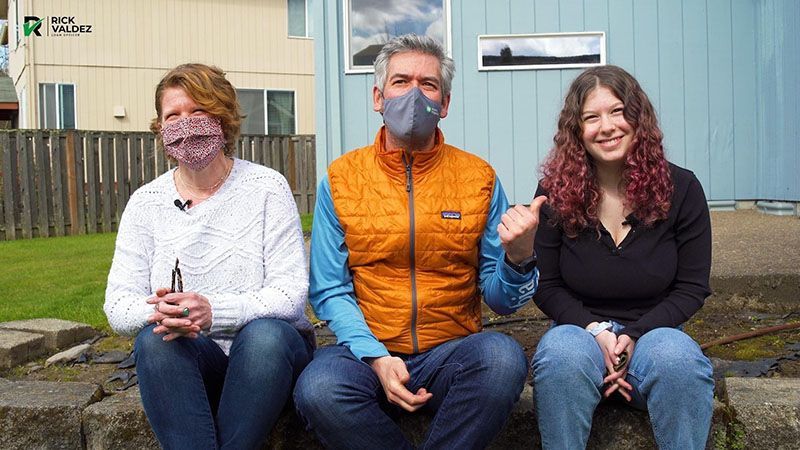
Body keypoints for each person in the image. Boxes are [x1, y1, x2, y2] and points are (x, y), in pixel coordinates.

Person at [293, 34, 546, 449]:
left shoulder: (478, 178)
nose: (414, 94)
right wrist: (376, 357)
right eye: (400, 81)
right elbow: (330, 290)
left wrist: (519, 259)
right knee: (319, 389)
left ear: (445, 104)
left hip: (450, 352)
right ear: (378, 96)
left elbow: (500, 301)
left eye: (428, 85)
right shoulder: (341, 179)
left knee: (502, 360)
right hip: (364, 352)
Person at [104, 63, 314, 450]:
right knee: (155, 339)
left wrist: (213, 310)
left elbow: (290, 295)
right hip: (198, 360)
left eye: (198, 111)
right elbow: (117, 305)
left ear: (223, 116)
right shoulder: (145, 204)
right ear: (160, 129)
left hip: (271, 357)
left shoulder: (267, 188)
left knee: (264, 335)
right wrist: (169, 313)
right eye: (173, 116)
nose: (186, 124)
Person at [530, 65, 714, 449]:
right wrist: (596, 331)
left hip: (655, 338)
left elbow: (692, 288)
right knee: (560, 354)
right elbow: (545, 286)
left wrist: (633, 335)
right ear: (576, 131)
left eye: (617, 111)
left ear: (637, 118)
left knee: (679, 361)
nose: (607, 126)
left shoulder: (682, 188)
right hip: (579, 336)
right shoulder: (554, 192)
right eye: (591, 117)